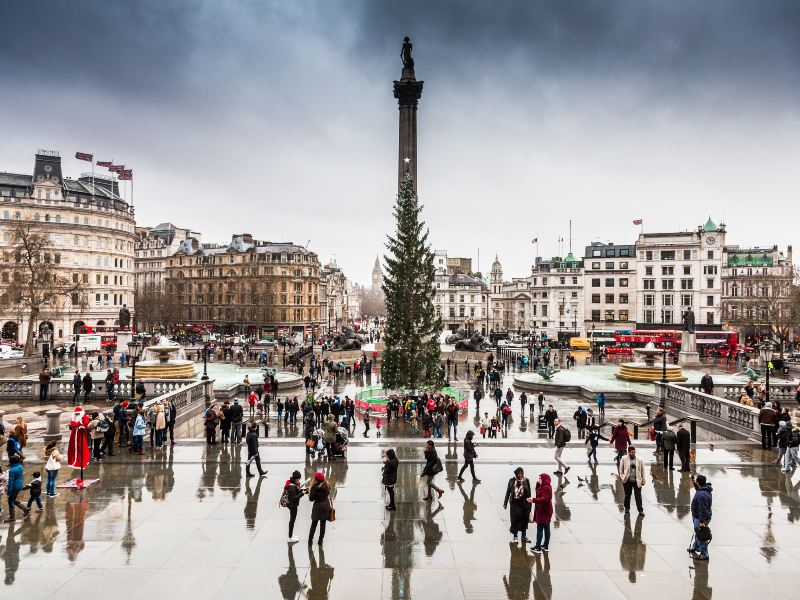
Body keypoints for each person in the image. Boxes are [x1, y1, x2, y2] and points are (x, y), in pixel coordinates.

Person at [503, 467, 531, 543]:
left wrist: (529, 505)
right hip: (515, 504)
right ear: (516, 474)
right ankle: (515, 536)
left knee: (524, 520)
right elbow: (508, 492)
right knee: (515, 521)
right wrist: (505, 503)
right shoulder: (511, 481)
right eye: (518, 473)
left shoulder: (526, 480)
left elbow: (529, 493)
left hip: (524, 504)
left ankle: (524, 536)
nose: (520, 475)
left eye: (521, 473)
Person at [528, 473, 554, 554]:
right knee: (546, 528)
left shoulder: (546, 488)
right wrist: (538, 484)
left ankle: (538, 547)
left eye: (540, 478)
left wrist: (533, 500)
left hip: (543, 512)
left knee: (540, 529)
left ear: (544, 479)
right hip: (546, 511)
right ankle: (545, 546)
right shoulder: (545, 486)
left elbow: (544, 499)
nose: (539, 479)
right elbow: (539, 492)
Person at [690, 474, 713, 560]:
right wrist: (693, 481)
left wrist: (702, 522)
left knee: (701, 536)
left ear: (698, 482)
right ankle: (695, 547)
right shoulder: (703, 489)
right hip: (699, 516)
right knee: (698, 533)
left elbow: (703, 510)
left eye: (696, 480)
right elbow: (698, 488)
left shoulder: (702, 495)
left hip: (700, 517)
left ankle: (704, 554)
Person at [618, 446, 645, 516]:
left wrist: (643, 480)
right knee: (627, 495)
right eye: (631, 452)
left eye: (634, 452)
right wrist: (622, 477)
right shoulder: (624, 458)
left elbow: (642, 471)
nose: (633, 453)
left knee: (638, 496)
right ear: (628, 452)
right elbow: (620, 469)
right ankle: (627, 509)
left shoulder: (639, 459)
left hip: (637, 480)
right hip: (627, 480)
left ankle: (640, 510)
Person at [308, 471, 331, 546]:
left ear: (316, 479)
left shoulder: (314, 488)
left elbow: (311, 499)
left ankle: (310, 541)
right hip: (325, 506)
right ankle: (320, 541)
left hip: (317, 507)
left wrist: (310, 491)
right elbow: (327, 493)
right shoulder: (326, 486)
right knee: (323, 524)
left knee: (314, 524)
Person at [284, 470, 307, 543]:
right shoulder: (292, 487)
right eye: (299, 479)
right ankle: (290, 538)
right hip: (292, 505)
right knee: (292, 521)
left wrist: (302, 491)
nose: (299, 480)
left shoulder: (291, 483)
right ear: (296, 479)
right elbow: (294, 498)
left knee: (292, 520)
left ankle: (291, 536)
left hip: (291, 504)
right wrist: (302, 493)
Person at [5, 455, 29, 521]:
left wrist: (9, 491)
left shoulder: (12, 470)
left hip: (14, 487)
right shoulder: (20, 467)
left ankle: (12, 517)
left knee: (10, 501)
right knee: (13, 500)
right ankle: (25, 509)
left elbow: (11, 482)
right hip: (19, 485)